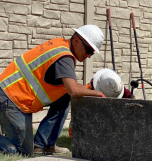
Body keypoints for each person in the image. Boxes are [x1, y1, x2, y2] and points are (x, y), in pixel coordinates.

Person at [0, 25, 105, 156]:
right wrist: (99, 94)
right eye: (88, 49)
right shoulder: (64, 57)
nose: (89, 55)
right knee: (23, 152)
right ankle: (38, 145)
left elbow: (69, 89)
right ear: (77, 40)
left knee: (64, 96)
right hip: (11, 99)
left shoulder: (60, 45)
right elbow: (73, 89)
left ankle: (44, 145)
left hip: (14, 95)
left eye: (92, 52)